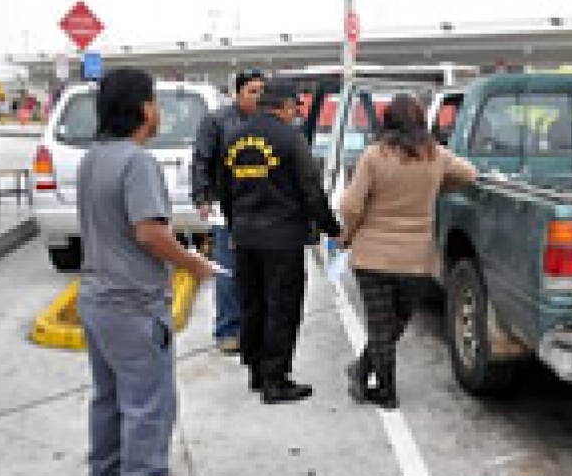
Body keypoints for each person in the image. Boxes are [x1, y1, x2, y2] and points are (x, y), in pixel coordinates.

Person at [77, 68, 214, 476]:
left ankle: (106, 474)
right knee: (149, 403)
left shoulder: (93, 158)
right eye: (154, 101)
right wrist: (193, 264)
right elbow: (150, 233)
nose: (159, 111)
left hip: (96, 297)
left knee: (108, 395)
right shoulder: (137, 163)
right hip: (133, 302)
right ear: (143, 109)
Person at [340, 94, 478, 409]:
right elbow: (469, 173)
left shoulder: (374, 156)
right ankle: (366, 374)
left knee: (380, 326)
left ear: (388, 121)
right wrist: (436, 186)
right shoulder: (435, 155)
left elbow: (351, 206)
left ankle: (384, 390)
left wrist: (347, 234)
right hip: (415, 260)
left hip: (372, 257)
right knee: (395, 324)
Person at [219, 78, 341, 404]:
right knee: (282, 307)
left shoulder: (233, 137)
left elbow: (224, 189)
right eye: (294, 108)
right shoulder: (291, 139)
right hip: (282, 238)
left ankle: (256, 372)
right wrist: (331, 227)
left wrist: (235, 226)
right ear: (285, 106)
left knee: (252, 304)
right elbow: (311, 189)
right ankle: (275, 379)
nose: (295, 113)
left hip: (245, 236)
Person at [192, 69, 265, 355]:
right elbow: (202, 160)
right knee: (228, 269)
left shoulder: (266, 122)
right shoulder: (216, 121)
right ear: (237, 93)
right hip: (227, 208)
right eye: (252, 91)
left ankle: (254, 328)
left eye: (261, 91)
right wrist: (202, 197)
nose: (258, 97)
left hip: (261, 208)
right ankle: (228, 330)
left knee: (257, 271)